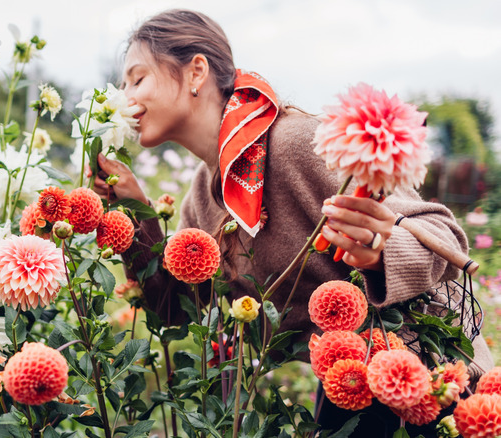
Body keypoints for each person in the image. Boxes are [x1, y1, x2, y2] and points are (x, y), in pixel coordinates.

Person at [89, 8, 494, 438]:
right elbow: (174, 308)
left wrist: (380, 252)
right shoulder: (202, 197)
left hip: (433, 378)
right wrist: (137, 213)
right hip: (349, 386)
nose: (126, 96)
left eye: (136, 79)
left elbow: (444, 238)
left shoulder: (297, 143)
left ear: (196, 73)